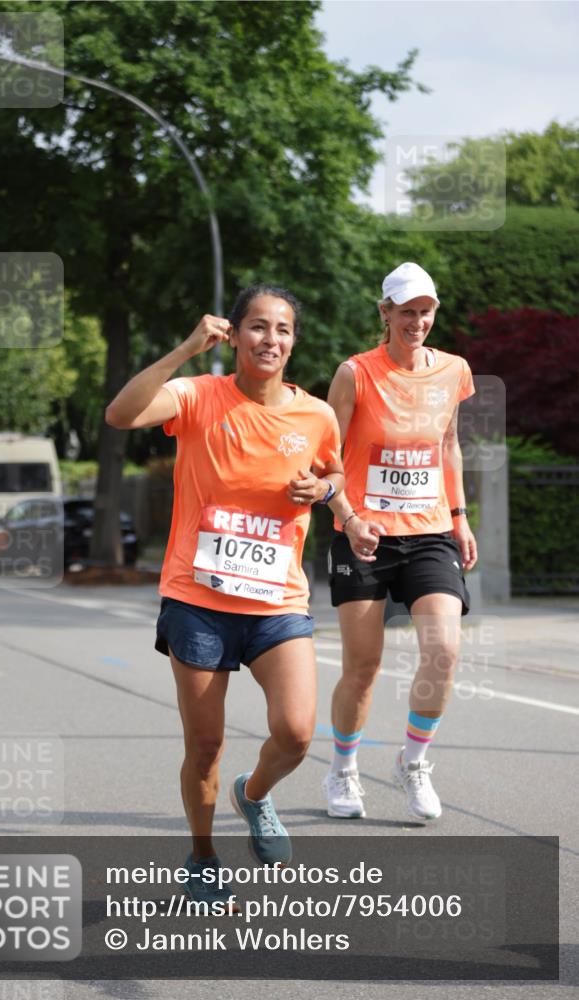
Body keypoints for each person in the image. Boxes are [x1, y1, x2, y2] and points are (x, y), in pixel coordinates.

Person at [106, 285, 343, 906]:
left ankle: (255, 794)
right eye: (258, 326)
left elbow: (335, 473)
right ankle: (204, 857)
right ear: (233, 335)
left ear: (294, 342)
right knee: (205, 745)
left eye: (283, 329)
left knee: (296, 733)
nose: (271, 339)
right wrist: (186, 349)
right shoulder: (197, 395)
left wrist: (322, 491)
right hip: (198, 599)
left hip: (277, 601)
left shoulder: (316, 415)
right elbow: (121, 415)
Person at [323, 262, 478, 823]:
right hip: (364, 534)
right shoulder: (355, 374)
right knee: (363, 666)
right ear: (385, 313)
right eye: (407, 311)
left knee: (444, 649)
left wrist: (459, 516)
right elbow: (326, 458)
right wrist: (347, 517)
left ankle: (413, 762)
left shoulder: (454, 370)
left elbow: (449, 444)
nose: (418, 321)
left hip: (431, 532)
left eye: (426, 311)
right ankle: (343, 768)